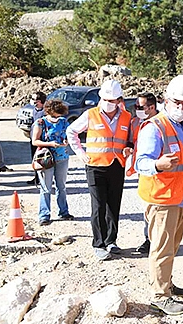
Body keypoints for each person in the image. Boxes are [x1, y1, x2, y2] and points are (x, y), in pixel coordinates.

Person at [135, 75, 183, 316]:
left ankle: (165, 282)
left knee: (172, 247)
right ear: (166, 100)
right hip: (163, 199)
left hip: (182, 197)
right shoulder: (155, 127)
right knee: (162, 248)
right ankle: (160, 296)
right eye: (178, 102)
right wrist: (158, 164)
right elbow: (141, 163)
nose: (182, 107)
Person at [67, 79, 133, 261]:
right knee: (98, 206)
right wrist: (80, 153)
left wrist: (129, 148)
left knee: (114, 205)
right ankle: (99, 244)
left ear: (119, 100)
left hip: (116, 164)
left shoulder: (127, 117)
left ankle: (111, 240)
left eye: (113, 100)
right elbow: (71, 131)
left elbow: (130, 139)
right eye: (106, 99)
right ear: (100, 98)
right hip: (95, 166)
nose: (109, 103)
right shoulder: (91, 115)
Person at [32, 99, 73, 226]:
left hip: (62, 157)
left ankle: (64, 212)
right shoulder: (40, 122)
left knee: (61, 186)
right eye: (55, 114)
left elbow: (68, 135)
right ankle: (44, 215)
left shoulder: (63, 121)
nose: (57, 117)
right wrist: (50, 144)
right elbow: (35, 141)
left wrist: (66, 141)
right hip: (46, 159)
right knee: (46, 187)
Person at [128, 92, 159, 254]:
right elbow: (131, 141)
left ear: (152, 107)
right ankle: (148, 239)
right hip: (143, 172)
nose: (137, 109)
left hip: (160, 172)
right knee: (147, 206)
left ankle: (160, 240)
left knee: (160, 209)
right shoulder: (135, 123)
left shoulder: (163, 123)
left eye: (139, 107)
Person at [27, 91, 47, 186]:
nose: (33, 101)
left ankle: (43, 178)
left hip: (41, 140)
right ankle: (36, 177)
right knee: (34, 159)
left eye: (35, 99)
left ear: (40, 101)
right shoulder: (35, 110)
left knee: (42, 159)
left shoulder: (45, 112)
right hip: (33, 139)